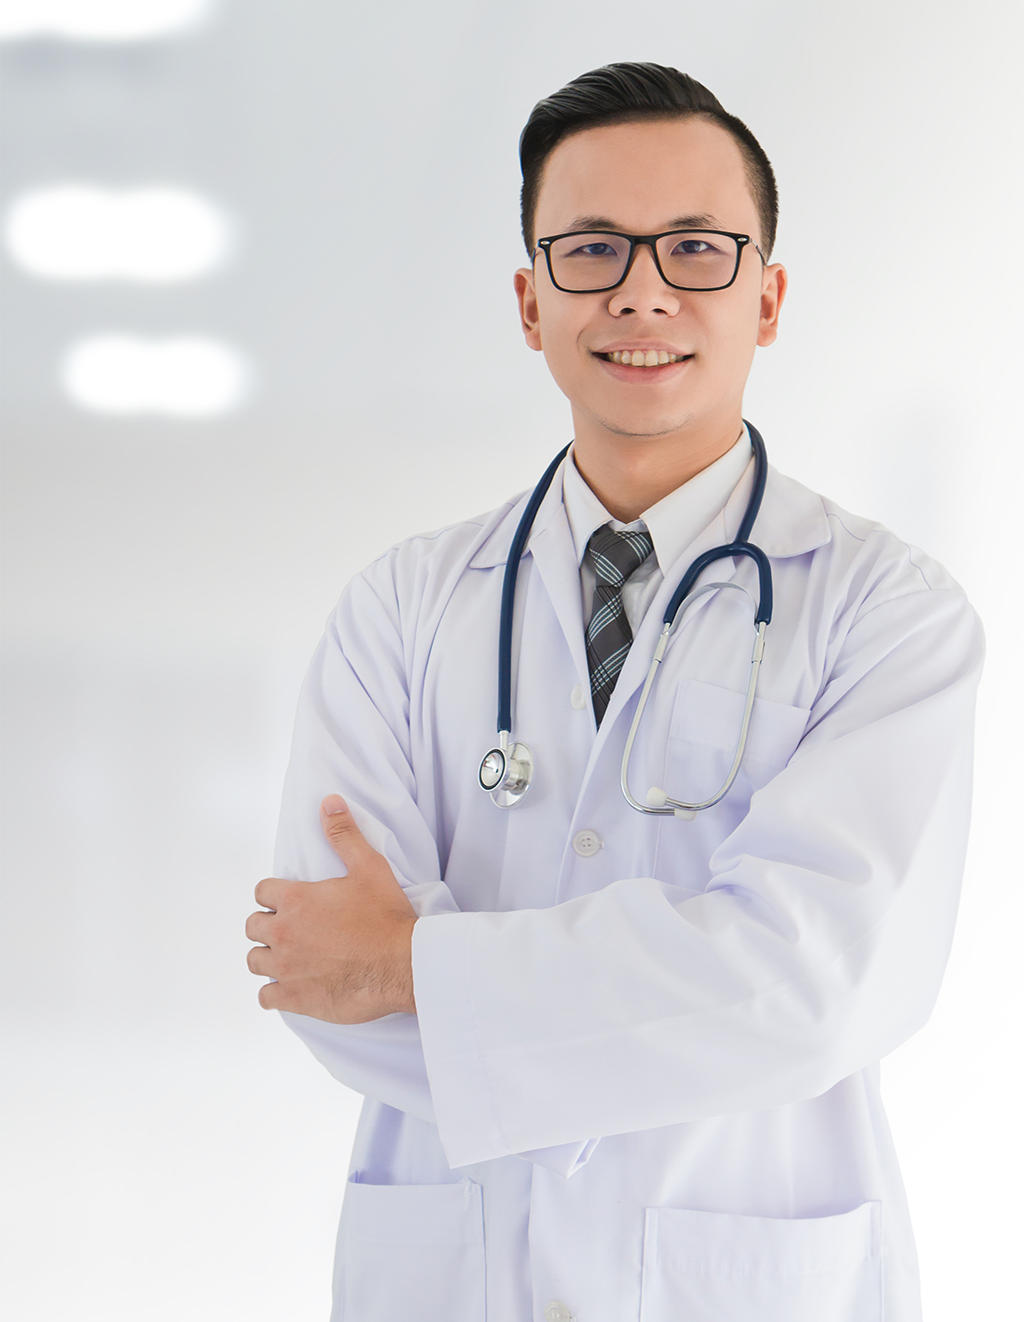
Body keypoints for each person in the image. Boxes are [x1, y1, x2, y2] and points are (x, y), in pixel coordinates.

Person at [245, 62, 983, 1322]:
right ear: (530, 301)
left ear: (767, 296)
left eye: (695, 246)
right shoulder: (402, 607)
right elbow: (329, 984)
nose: (642, 290)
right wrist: (670, 1007)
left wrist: (420, 967)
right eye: (591, 249)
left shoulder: (888, 612)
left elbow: (816, 988)